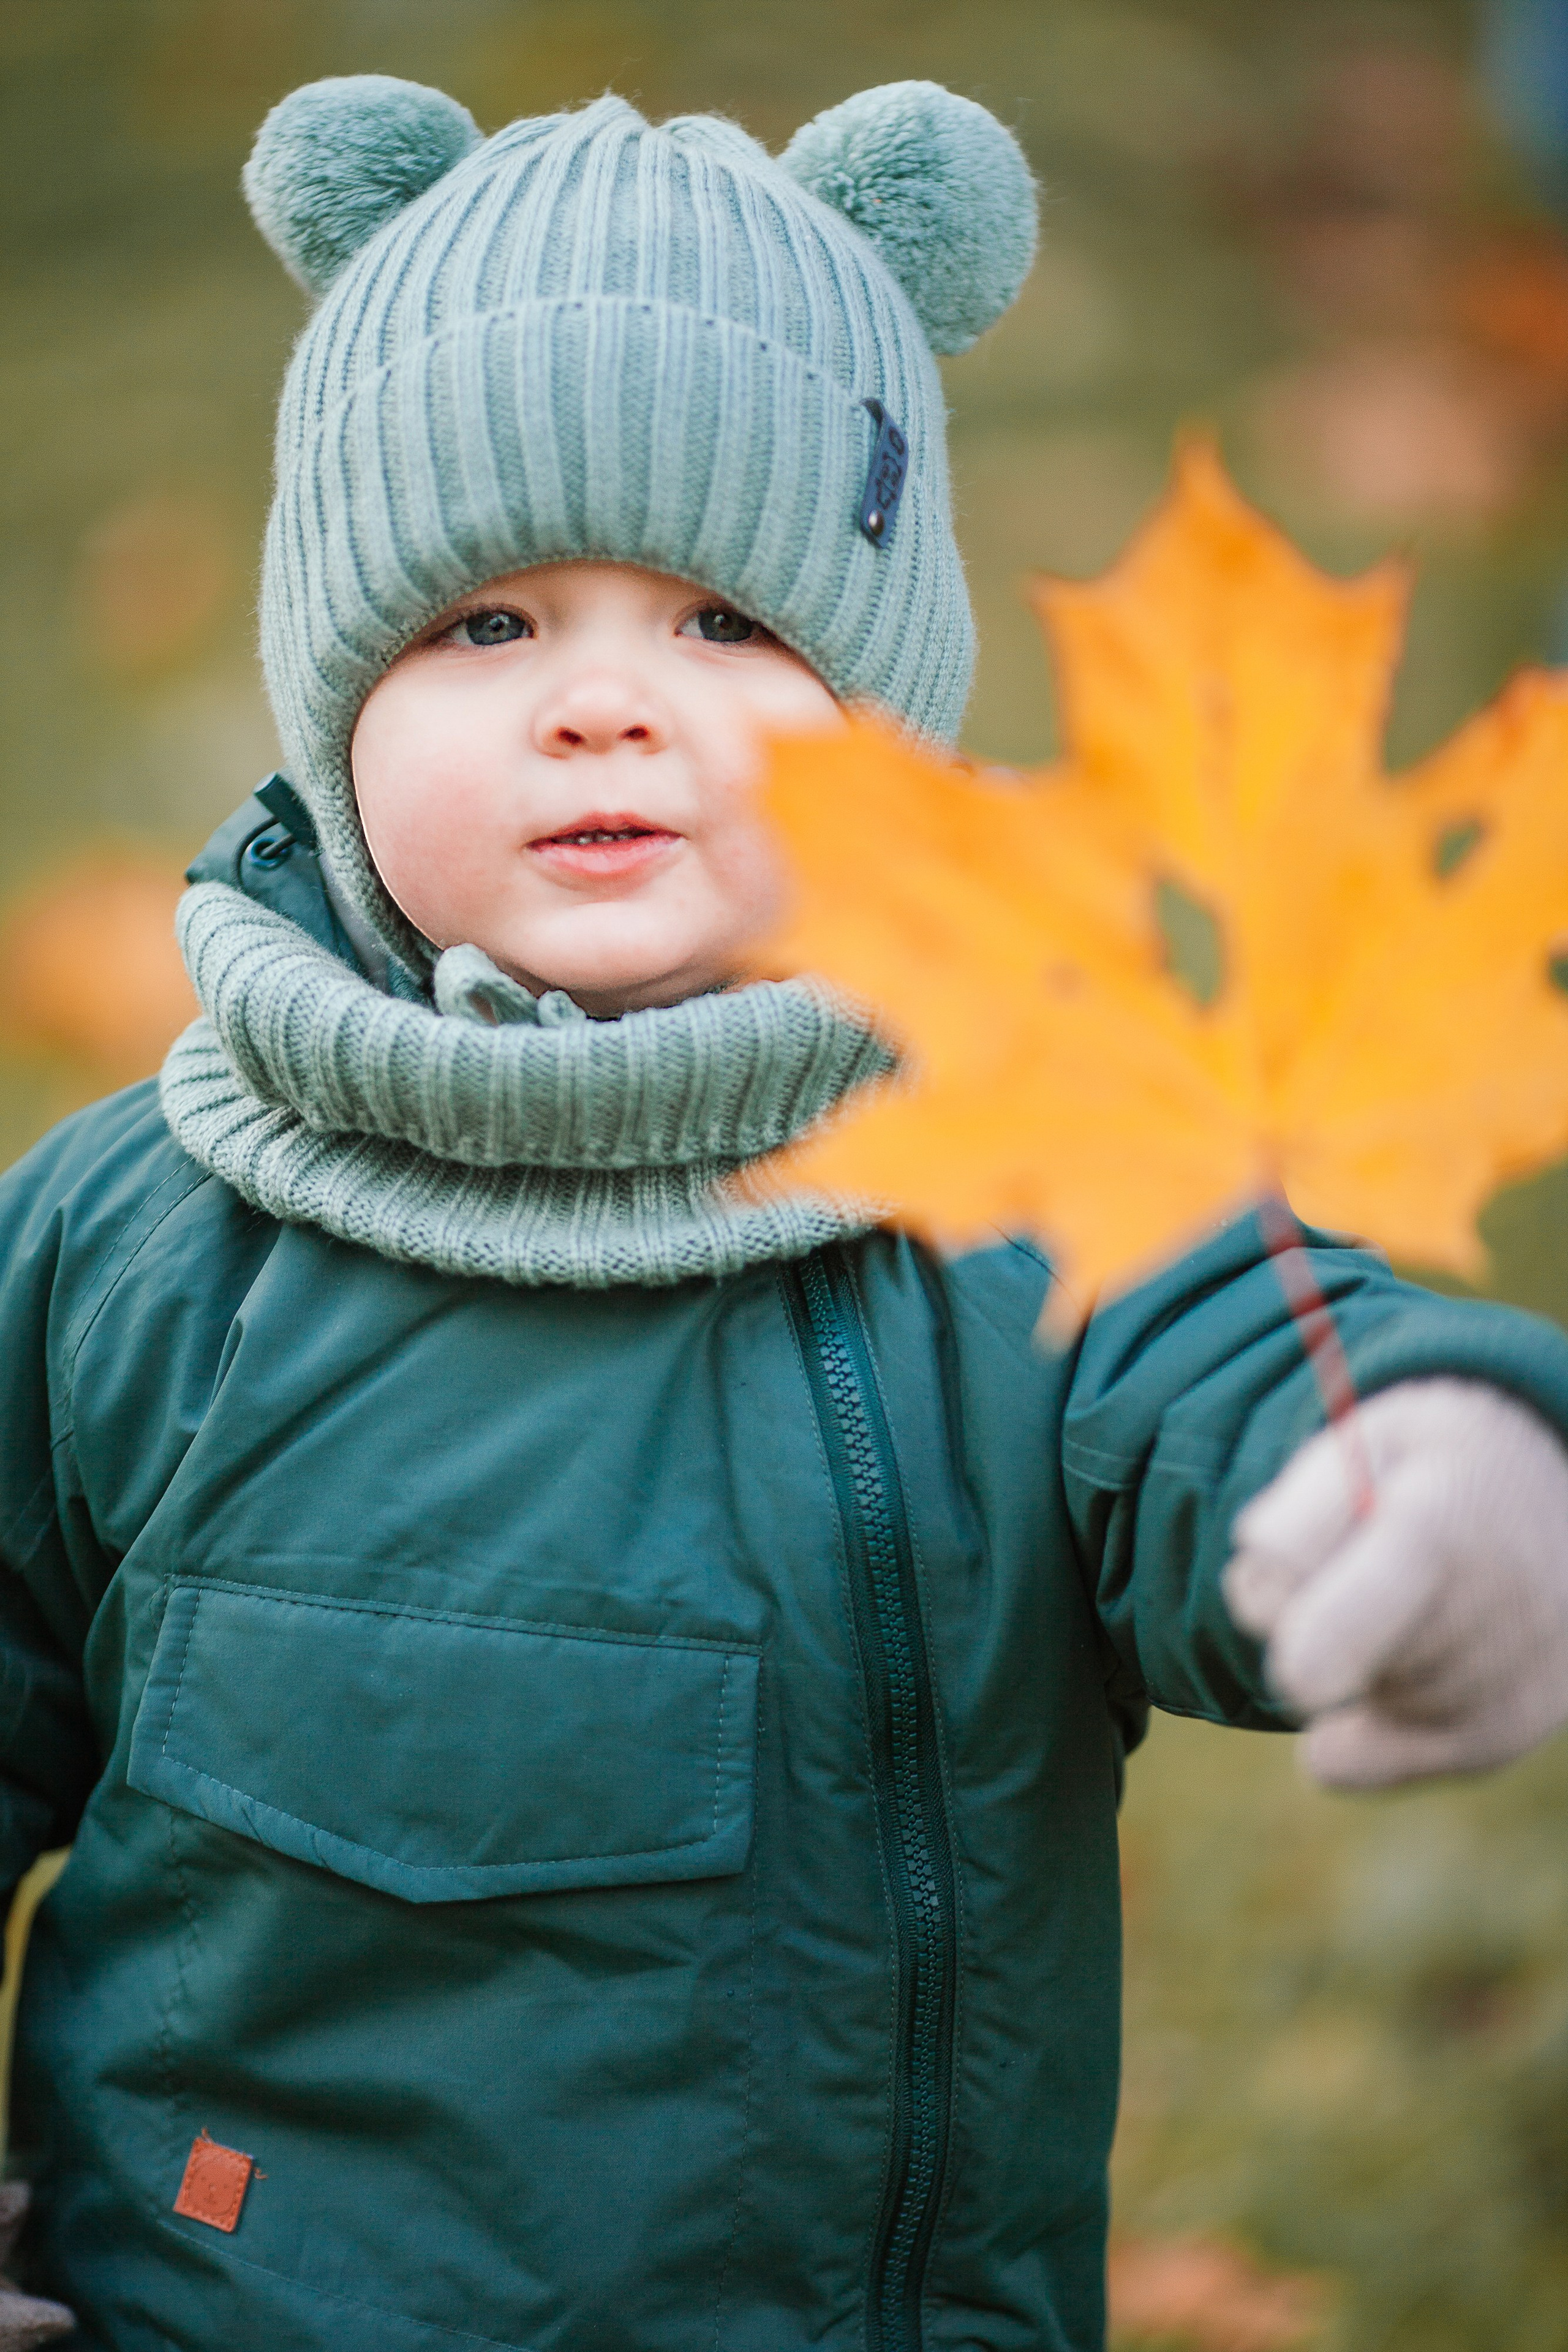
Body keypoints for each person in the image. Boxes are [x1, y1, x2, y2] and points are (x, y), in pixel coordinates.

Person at [3, 73, 1568, 2352]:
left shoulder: (1019, 1170)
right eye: (485, 625)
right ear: (328, 699)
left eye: (730, 622)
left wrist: (1422, 1466)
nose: (607, 707)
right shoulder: (142, 1236)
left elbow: (1240, 1344)